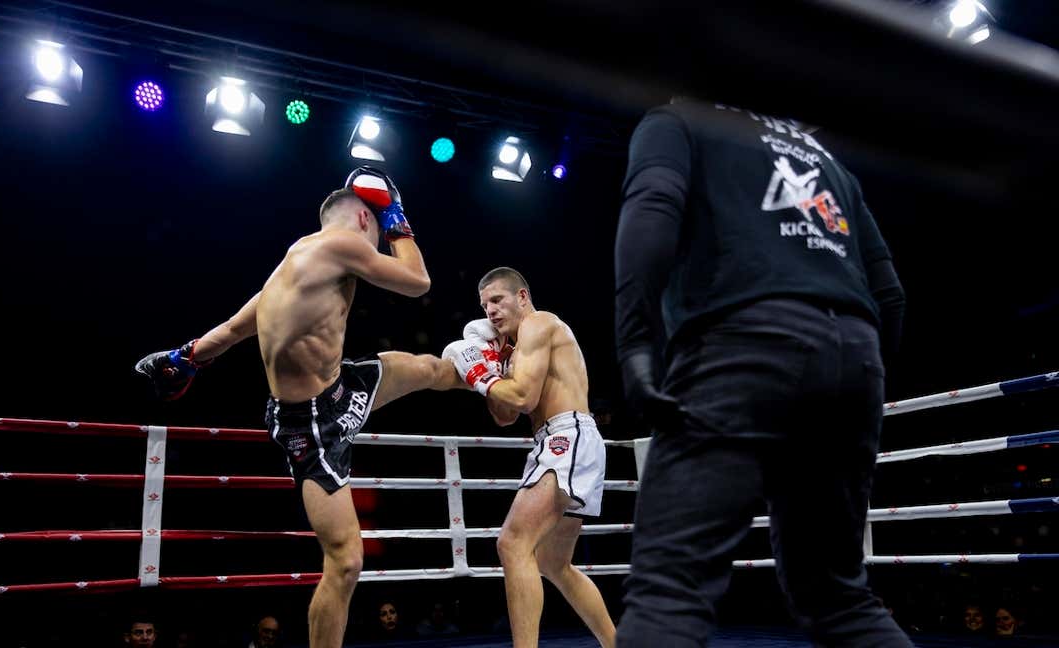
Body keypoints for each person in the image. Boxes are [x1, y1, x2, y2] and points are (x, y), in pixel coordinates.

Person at [613, 98, 910, 647]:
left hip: (740, 337)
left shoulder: (677, 119)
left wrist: (635, 342)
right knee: (839, 597)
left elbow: (653, 207)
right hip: (855, 350)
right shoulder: (822, 155)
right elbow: (889, 292)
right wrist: (851, 383)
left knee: (670, 592)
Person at [135, 167, 467, 648]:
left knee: (428, 370)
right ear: (359, 220)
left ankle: (492, 377)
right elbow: (417, 280)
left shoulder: (288, 270)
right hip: (309, 424)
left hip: (340, 386)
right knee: (347, 561)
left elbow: (229, 332)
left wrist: (183, 357)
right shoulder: (338, 241)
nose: (377, 245)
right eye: (375, 231)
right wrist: (395, 212)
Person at [442, 267, 616, 648]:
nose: (489, 310)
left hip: (566, 436)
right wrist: (488, 365)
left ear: (521, 296)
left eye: (497, 299)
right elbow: (505, 416)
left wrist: (477, 374)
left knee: (512, 543)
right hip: (557, 441)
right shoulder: (513, 349)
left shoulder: (539, 323)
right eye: (484, 304)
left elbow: (522, 399)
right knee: (555, 563)